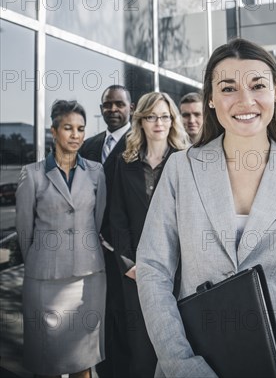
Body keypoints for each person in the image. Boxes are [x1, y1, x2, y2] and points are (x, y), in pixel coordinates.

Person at [136, 38, 276, 378]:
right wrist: (183, 366)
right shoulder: (181, 169)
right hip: (191, 361)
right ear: (210, 97)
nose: (245, 100)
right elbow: (153, 270)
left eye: (257, 85)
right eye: (228, 88)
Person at [16, 100, 106, 378]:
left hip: (87, 280)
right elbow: (24, 232)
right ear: (54, 131)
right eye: (68, 128)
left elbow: (97, 220)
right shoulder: (31, 175)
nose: (76, 135)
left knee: (83, 361)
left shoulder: (96, 172)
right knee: (47, 363)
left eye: (80, 129)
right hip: (46, 281)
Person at [110, 92, 189, 378]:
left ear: (172, 121)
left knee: (178, 346)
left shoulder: (186, 161)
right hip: (138, 271)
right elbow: (116, 218)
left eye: (165, 116)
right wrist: (128, 263)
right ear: (141, 121)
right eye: (152, 117)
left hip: (180, 270)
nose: (159, 123)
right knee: (142, 350)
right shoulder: (125, 161)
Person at [79, 85, 133, 378]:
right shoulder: (89, 145)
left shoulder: (140, 141)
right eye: (107, 105)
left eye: (118, 104)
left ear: (131, 108)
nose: (112, 110)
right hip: (91, 251)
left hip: (124, 250)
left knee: (122, 319)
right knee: (96, 318)